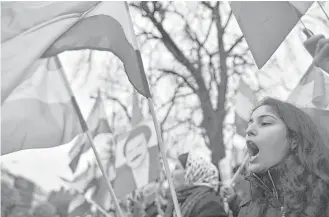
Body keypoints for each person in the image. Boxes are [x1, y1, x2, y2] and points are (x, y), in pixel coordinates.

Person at [221, 97, 329, 217]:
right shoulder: (250, 204)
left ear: (293, 140)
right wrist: (233, 200)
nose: (249, 130)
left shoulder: (323, 198)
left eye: (265, 123)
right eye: (250, 123)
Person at [165, 152, 228, 217]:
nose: (172, 173)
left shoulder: (209, 204)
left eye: (177, 168)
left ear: (192, 172)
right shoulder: (178, 202)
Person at [114, 124, 159, 198]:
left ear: (146, 144)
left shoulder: (157, 165)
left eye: (139, 145)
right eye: (130, 151)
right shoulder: (125, 181)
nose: (135, 153)